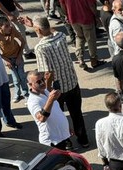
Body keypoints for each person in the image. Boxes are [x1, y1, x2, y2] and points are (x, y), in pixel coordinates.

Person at [32, 16, 89, 148]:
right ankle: (83, 139)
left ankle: (66, 140)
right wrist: (38, 26)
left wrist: (48, 89)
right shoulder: (61, 36)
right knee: (77, 113)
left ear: (37, 29)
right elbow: (52, 30)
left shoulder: (40, 47)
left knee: (59, 116)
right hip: (72, 82)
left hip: (58, 89)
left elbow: (48, 73)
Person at [26, 70, 70, 148]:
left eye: (43, 79)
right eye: (38, 82)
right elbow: (41, 118)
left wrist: (66, 128)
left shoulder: (45, 91)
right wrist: (50, 100)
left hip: (61, 137)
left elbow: (57, 112)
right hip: (52, 142)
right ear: (30, 84)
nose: (42, 83)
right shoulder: (32, 101)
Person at [0, 16, 28, 104]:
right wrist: (5, 59)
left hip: (17, 55)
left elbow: (23, 41)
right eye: (6, 26)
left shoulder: (12, 30)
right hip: (7, 58)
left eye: (9, 25)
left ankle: (26, 93)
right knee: (15, 78)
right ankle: (17, 94)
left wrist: (19, 56)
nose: (9, 27)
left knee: (22, 76)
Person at [61, 0, 105, 70]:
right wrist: (96, 17)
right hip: (86, 17)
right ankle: (94, 60)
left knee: (79, 37)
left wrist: (66, 15)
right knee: (91, 39)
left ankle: (80, 59)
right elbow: (92, 5)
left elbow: (62, 5)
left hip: (73, 18)